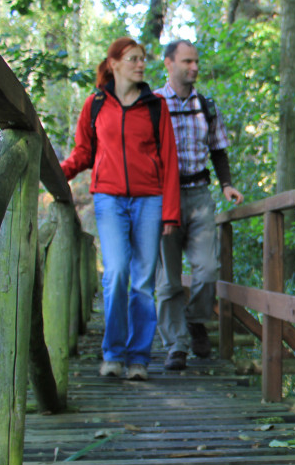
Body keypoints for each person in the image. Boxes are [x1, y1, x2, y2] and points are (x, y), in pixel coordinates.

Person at [61, 37, 180, 381]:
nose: (141, 64)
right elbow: (83, 153)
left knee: (143, 282)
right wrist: (56, 173)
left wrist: (171, 212)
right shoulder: (95, 104)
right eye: (133, 59)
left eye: (143, 59)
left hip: (149, 200)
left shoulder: (156, 106)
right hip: (109, 199)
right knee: (115, 274)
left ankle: (139, 358)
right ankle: (113, 353)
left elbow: (169, 163)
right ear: (113, 63)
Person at [155, 39, 244, 370]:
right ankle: (175, 345)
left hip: (198, 194)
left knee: (207, 271)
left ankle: (194, 321)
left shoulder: (207, 106)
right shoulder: (152, 104)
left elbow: (218, 149)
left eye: (196, 62)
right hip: (163, 198)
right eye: (187, 61)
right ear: (169, 64)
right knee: (168, 280)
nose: (194, 67)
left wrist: (227, 185)